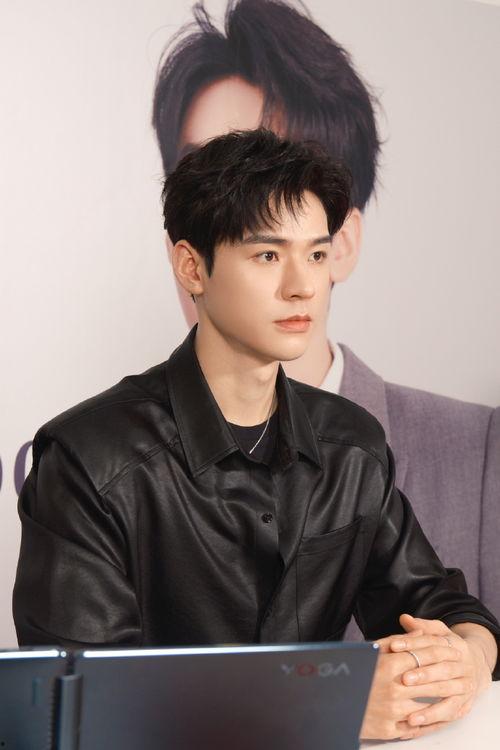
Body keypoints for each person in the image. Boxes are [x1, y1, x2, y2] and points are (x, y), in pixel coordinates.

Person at [13, 130, 500, 742]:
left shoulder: (351, 444)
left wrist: (469, 658)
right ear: (192, 266)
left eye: (316, 256)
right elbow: (77, 700)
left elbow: (438, 606)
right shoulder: (89, 459)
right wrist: (324, 704)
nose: (303, 286)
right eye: (268, 256)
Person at [151, 0, 500, 624]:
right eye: (205, 185)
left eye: (280, 191)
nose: (241, 224)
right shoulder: (108, 464)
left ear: (340, 242)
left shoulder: (478, 455)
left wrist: (469, 648)